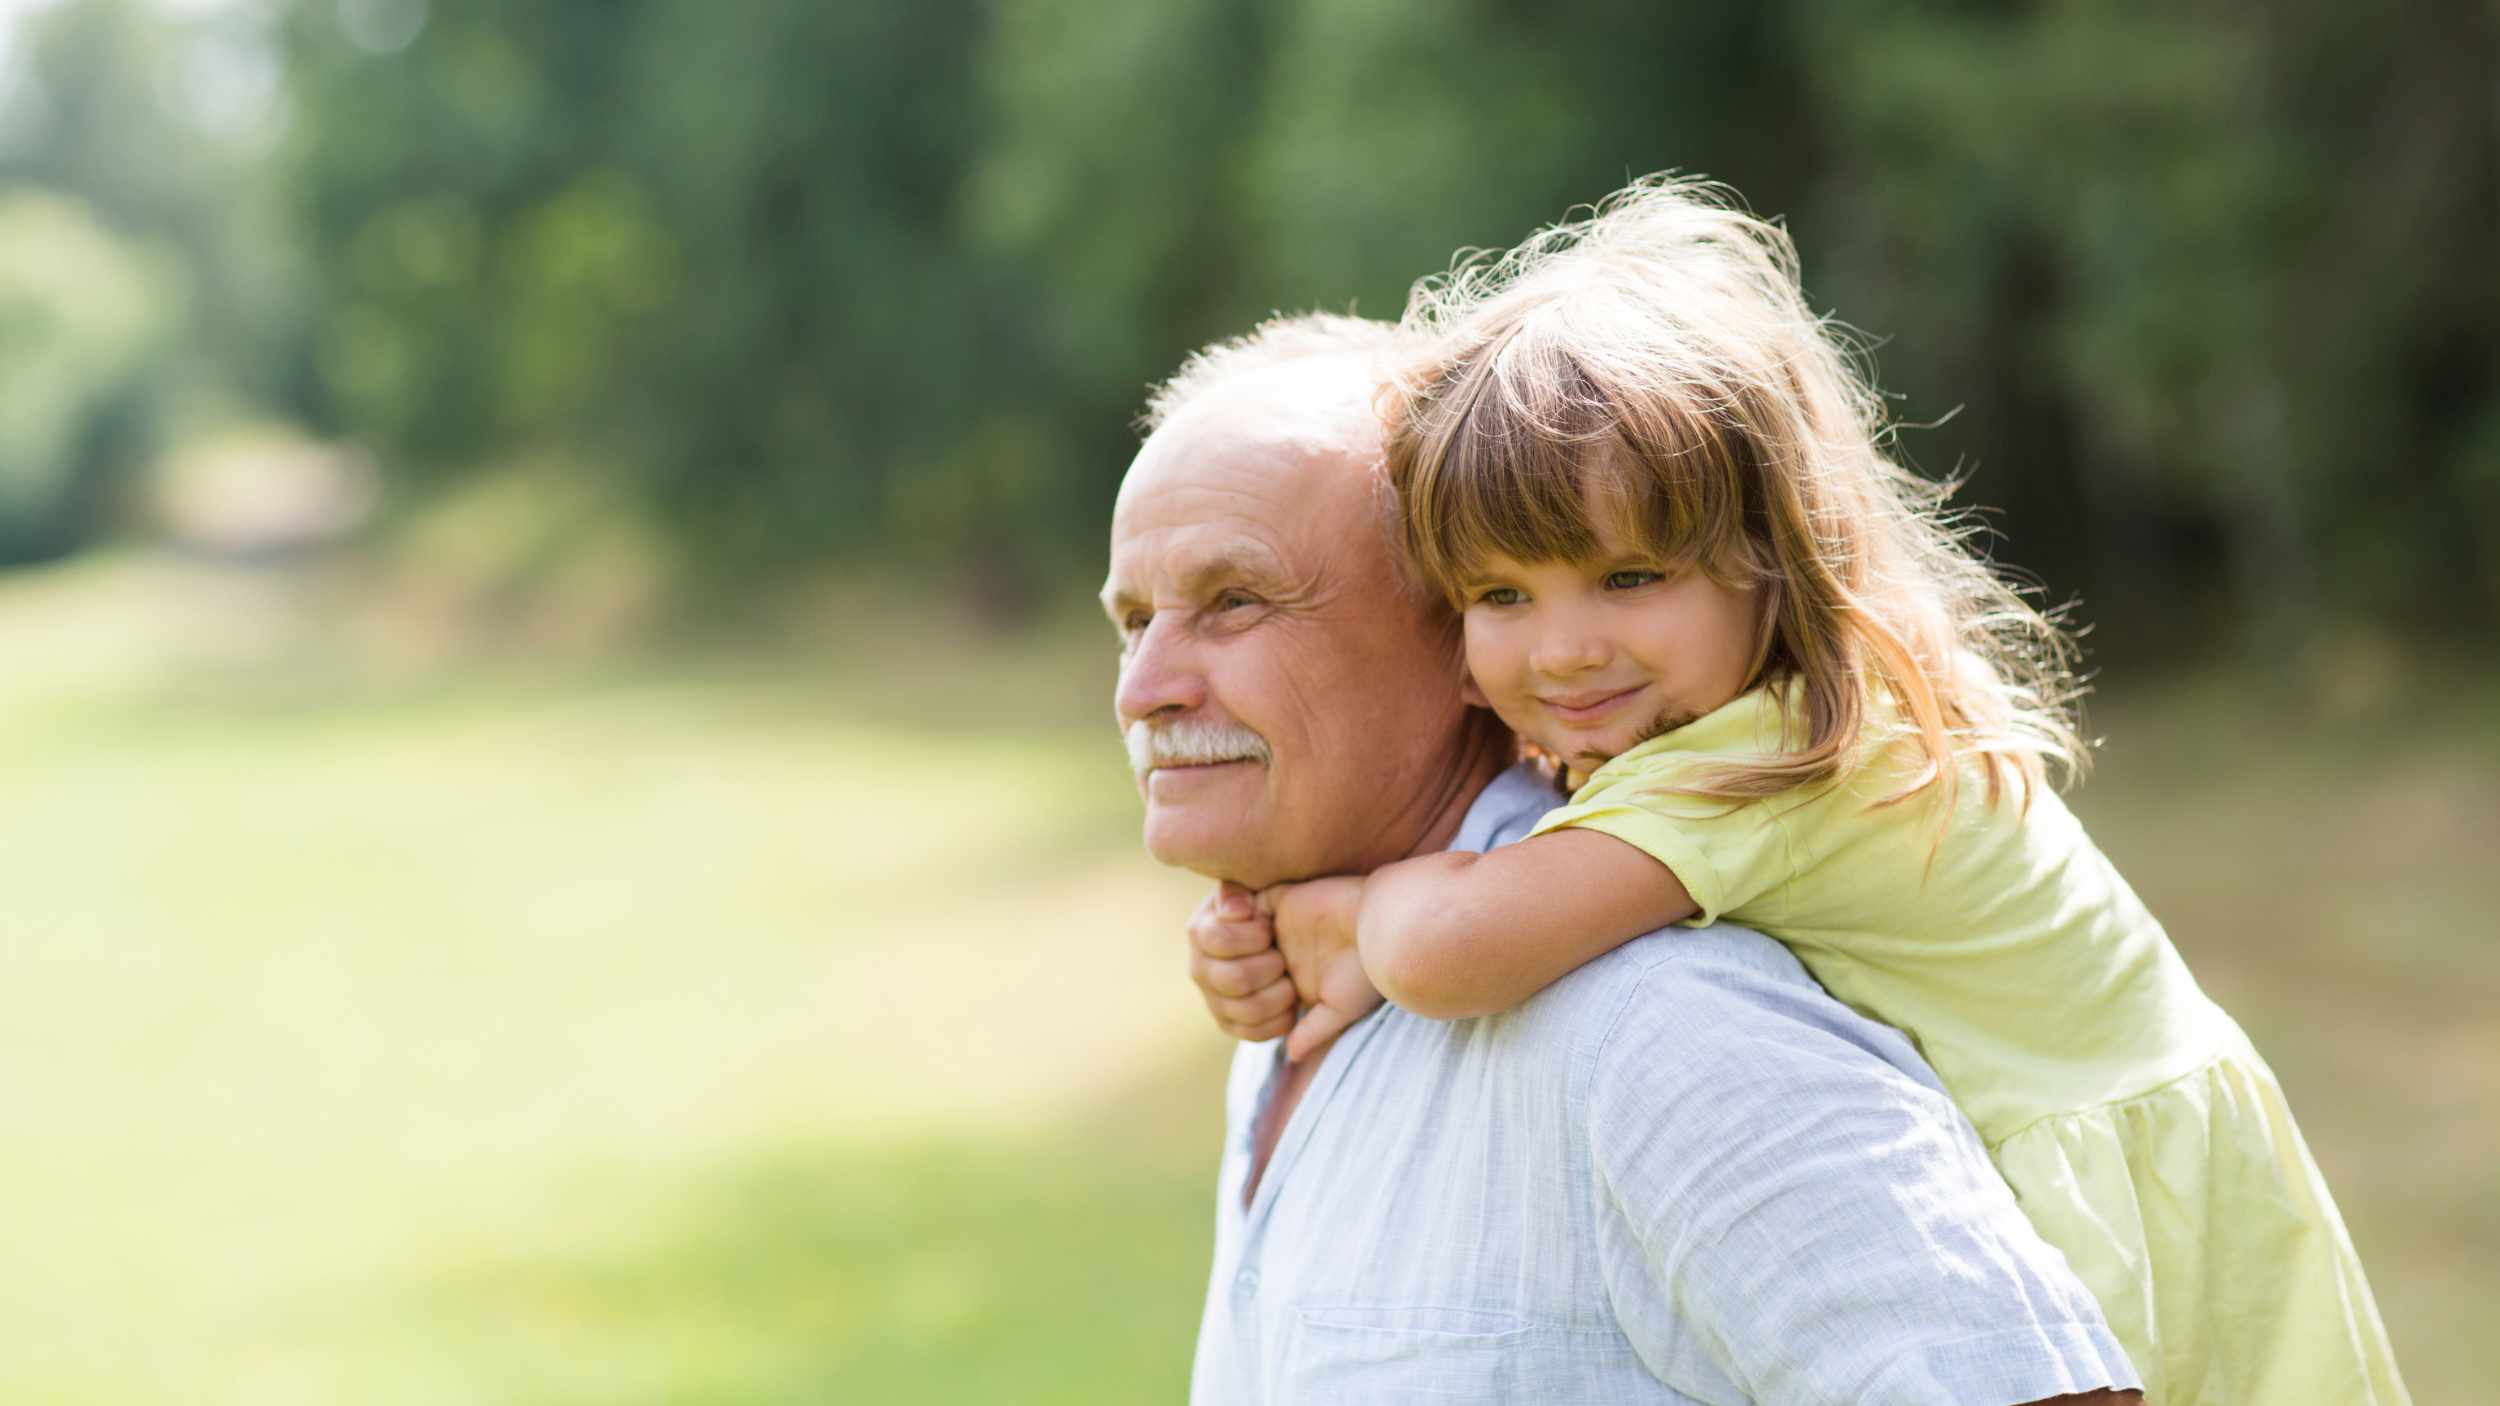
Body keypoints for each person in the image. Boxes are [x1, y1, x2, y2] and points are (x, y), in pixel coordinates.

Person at [1221, 177, 2409, 1406]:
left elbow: (1458, 948)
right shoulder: (1794, 709)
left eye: (1629, 576)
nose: (1564, 646)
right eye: (1502, 596)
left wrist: (1361, 914)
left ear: (1771, 562)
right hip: (2169, 1144)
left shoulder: (1763, 762)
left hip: (2112, 1199)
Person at [1111, 310, 2142, 1403]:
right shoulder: (1297, 998)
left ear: (1450, 633)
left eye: (1234, 602)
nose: (1143, 688)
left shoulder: (1658, 1022)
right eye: (1133, 620)